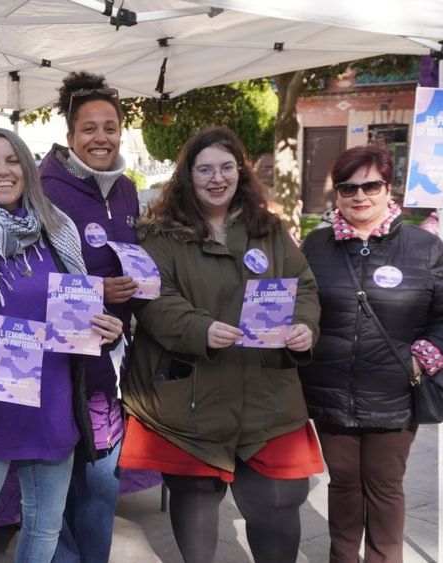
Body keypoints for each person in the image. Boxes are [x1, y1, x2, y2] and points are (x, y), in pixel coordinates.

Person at [120, 126, 322, 563]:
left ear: (241, 172)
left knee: (278, 504)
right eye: (205, 169)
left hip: (266, 398)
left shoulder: (269, 229)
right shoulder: (160, 235)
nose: (217, 178)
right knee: (194, 501)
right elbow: (151, 298)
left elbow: (303, 286)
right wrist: (200, 329)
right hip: (190, 401)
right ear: (187, 176)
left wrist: (304, 325)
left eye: (226, 167)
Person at [0, 128, 123, 562]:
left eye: (12, 160)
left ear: (27, 169)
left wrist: (106, 329)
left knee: (44, 526)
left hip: (53, 405)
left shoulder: (57, 230)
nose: (3, 170)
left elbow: (81, 309)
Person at [300, 145, 443, 563]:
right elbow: (299, 304)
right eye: (348, 187)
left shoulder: (425, 247)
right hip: (329, 388)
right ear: (337, 193)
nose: (359, 196)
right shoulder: (316, 244)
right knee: (343, 483)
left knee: (384, 485)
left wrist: (425, 354)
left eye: (371, 186)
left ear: (388, 188)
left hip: (394, 390)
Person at [38, 70, 138, 563]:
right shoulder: (43, 189)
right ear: (71, 133)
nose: (101, 138)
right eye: (89, 128)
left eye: (110, 127)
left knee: (101, 486)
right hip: (57, 365)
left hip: (108, 368)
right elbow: (30, 276)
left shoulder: (128, 190)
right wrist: (98, 292)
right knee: (53, 492)